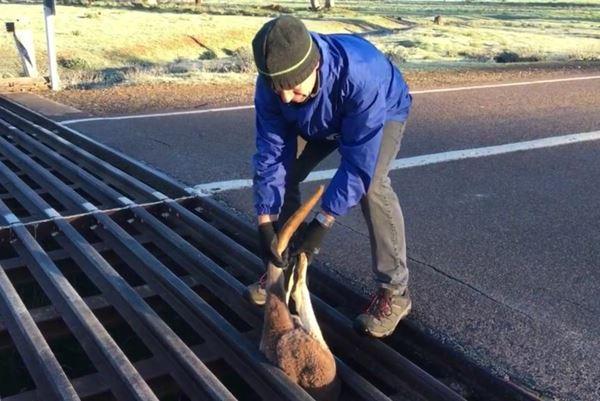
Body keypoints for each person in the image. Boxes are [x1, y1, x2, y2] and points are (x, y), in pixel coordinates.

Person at [244, 15, 413, 338]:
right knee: (287, 172)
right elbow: (271, 155)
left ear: (314, 67)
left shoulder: (362, 75)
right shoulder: (274, 87)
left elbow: (357, 164)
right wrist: (265, 221)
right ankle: (284, 266)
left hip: (380, 110)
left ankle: (395, 292)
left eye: (292, 88)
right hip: (317, 115)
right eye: (277, 89)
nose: (284, 98)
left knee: (373, 186)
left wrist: (322, 223)